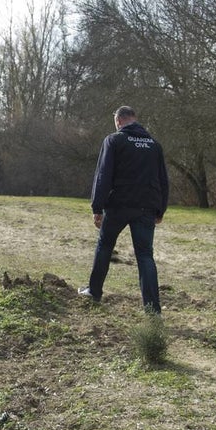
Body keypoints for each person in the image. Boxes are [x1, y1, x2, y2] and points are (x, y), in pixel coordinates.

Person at [80, 105, 169, 313]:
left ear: (119, 121)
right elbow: (164, 180)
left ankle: (94, 292)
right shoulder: (155, 145)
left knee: (105, 246)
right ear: (134, 120)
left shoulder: (114, 140)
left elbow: (103, 175)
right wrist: (160, 209)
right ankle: (152, 309)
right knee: (145, 255)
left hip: (118, 205)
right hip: (146, 207)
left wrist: (97, 206)